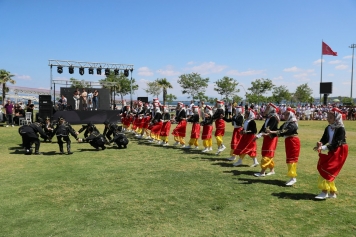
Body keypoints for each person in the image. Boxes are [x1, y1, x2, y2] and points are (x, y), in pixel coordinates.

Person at [313, 107, 348, 199]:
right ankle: (332, 192)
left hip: (340, 150)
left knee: (327, 168)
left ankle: (324, 192)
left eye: (330, 117)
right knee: (328, 170)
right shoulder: (328, 127)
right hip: (333, 149)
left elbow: (337, 143)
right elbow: (324, 139)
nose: (328, 119)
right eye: (327, 117)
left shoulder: (341, 129)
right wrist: (320, 143)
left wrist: (324, 147)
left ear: (336, 118)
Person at [267, 107, 300, 186]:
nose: (284, 116)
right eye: (284, 114)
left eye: (286, 114)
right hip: (289, 141)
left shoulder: (293, 123)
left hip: (293, 141)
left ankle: (293, 178)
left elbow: (283, 132)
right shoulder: (287, 123)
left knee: (292, 160)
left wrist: (271, 132)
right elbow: (280, 130)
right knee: (289, 159)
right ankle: (292, 177)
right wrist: (270, 132)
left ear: (290, 115)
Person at [254, 103, 280, 177]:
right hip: (266, 137)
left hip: (271, 138)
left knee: (268, 154)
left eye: (267, 108)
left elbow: (269, 129)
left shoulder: (274, 118)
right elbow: (263, 128)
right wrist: (258, 135)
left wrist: (259, 135)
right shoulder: (269, 117)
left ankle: (262, 172)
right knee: (266, 153)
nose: (265, 109)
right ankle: (272, 170)